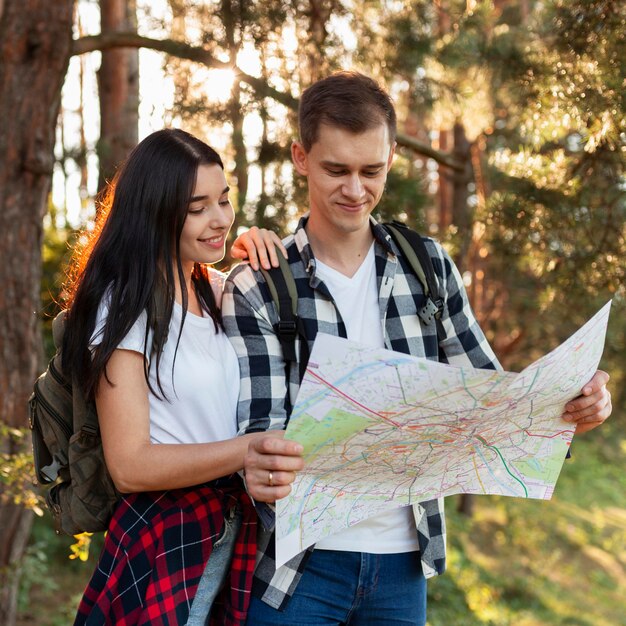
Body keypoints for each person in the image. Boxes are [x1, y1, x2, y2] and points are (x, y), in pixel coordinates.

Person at [221, 71, 612, 625]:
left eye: (371, 170)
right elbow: (253, 437)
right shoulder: (258, 283)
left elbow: (492, 399)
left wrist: (571, 411)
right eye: (336, 169)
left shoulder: (426, 267)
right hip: (296, 573)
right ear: (300, 157)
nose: (355, 190)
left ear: (392, 157)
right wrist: (258, 465)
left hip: (403, 568)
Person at [65, 128, 286, 626]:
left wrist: (259, 246)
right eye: (198, 207)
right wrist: (248, 449)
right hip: (166, 533)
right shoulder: (123, 306)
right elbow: (130, 464)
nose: (221, 220)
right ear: (156, 210)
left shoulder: (213, 289)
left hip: (231, 531)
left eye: (225, 201)